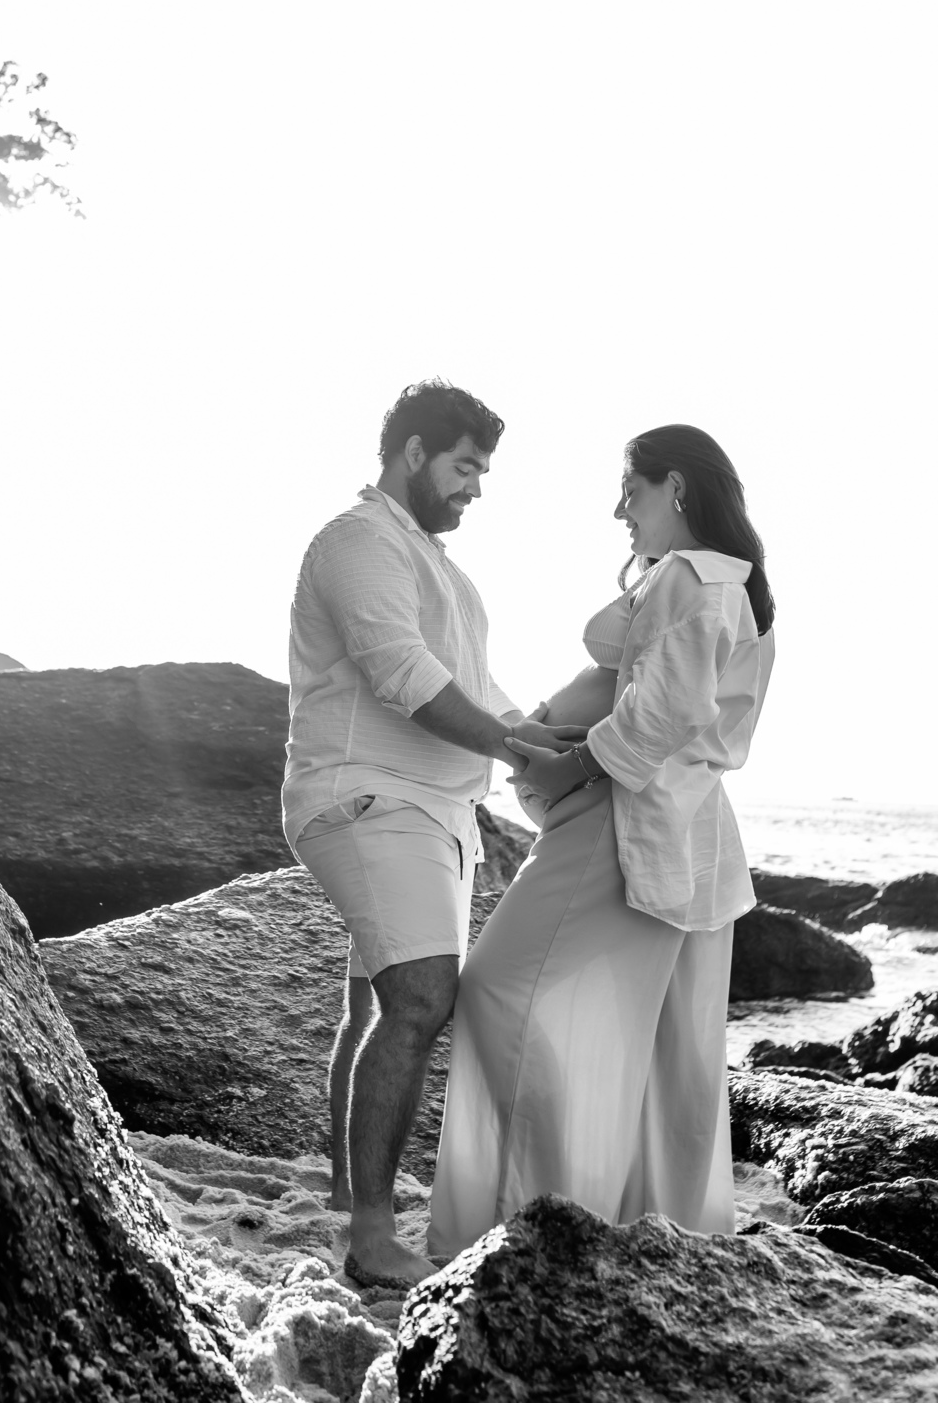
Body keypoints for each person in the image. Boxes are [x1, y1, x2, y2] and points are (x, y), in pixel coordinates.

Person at [427, 424, 775, 1258]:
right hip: (689, 831)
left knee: (499, 994)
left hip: (626, 818)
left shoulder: (691, 578)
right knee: (671, 1052)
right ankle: (660, 1236)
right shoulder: (731, 584)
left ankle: (521, 1227)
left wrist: (566, 769)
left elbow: (662, 715)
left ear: (677, 488)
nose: (619, 508)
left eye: (632, 488)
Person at [282, 380, 583, 1290]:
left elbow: (480, 689)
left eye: (482, 471)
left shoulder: (437, 565)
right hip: (366, 798)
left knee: (374, 1004)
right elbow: (398, 671)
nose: (476, 489)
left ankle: (346, 1194)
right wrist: (509, 741)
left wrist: (564, 742)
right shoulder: (357, 544)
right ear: (412, 453)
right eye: (464, 467)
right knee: (420, 1001)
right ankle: (373, 1237)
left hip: (432, 812)